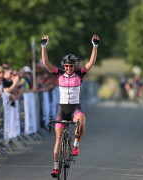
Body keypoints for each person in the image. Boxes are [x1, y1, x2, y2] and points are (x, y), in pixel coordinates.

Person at [41, 34, 99, 178]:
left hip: (75, 108)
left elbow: (91, 62)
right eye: (66, 66)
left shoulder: (79, 74)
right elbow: (46, 64)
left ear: (75, 66)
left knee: (81, 121)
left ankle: (76, 146)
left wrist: (95, 46)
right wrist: (43, 47)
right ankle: (55, 168)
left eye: (71, 66)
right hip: (62, 109)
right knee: (58, 139)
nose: (68, 68)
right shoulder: (59, 74)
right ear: (64, 66)